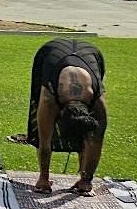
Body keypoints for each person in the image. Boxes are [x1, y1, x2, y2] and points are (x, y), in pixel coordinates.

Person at [27, 38, 107, 195]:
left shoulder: (98, 103)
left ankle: (83, 178)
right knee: (41, 123)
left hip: (90, 53)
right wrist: (43, 179)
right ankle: (43, 177)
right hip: (51, 51)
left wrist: (87, 180)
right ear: (60, 114)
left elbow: (96, 141)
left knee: (90, 134)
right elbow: (45, 142)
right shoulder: (50, 96)